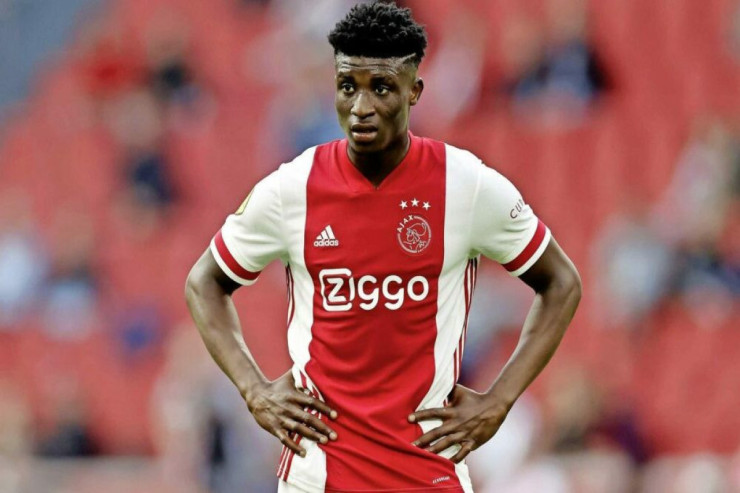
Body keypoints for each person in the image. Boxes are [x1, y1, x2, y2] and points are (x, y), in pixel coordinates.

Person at [185, 3, 582, 492]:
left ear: (414, 90)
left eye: (381, 87)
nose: (361, 106)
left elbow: (561, 282)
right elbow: (204, 282)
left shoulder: (465, 184)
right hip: (318, 477)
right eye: (348, 86)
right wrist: (254, 389)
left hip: (427, 472)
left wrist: (499, 401)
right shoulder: (293, 188)